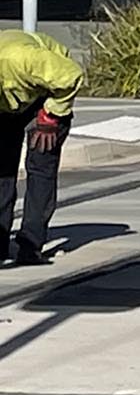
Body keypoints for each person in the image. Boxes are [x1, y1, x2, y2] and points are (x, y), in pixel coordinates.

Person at [0, 30, 83, 267]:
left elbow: (71, 76)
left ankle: (30, 244)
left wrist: (51, 116)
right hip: (10, 103)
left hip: (48, 93)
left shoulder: (22, 60)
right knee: (2, 170)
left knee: (40, 164)